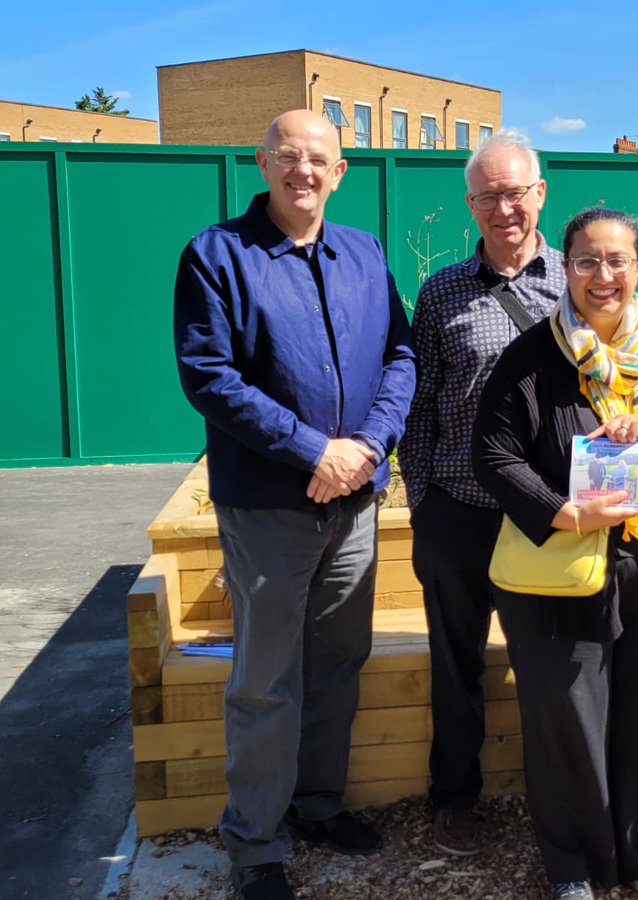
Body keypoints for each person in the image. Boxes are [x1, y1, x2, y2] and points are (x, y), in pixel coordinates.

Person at [174, 109, 416, 900]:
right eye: (289, 156)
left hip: (354, 502)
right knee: (266, 678)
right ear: (263, 162)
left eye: (320, 159)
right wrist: (314, 450)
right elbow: (210, 376)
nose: (304, 170)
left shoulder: (366, 254)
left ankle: (316, 806)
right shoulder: (217, 256)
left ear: (340, 171)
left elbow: (401, 356)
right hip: (271, 508)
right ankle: (255, 843)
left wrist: (369, 447)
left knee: (339, 662)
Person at [473, 207, 638, 900]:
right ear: (565, 269)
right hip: (560, 571)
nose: (603, 275)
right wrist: (565, 513)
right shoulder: (533, 354)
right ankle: (572, 866)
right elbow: (492, 454)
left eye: (617, 260)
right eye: (587, 261)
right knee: (567, 722)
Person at [398, 130, 565, 855]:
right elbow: (418, 406)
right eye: (489, 195)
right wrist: (422, 501)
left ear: (540, 195)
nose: (505, 208)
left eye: (516, 191)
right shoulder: (440, 292)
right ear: (471, 204)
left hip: (548, 516)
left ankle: (558, 804)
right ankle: (455, 799)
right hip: (458, 512)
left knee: (553, 668)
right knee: (456, 665)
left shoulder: (578, 279)